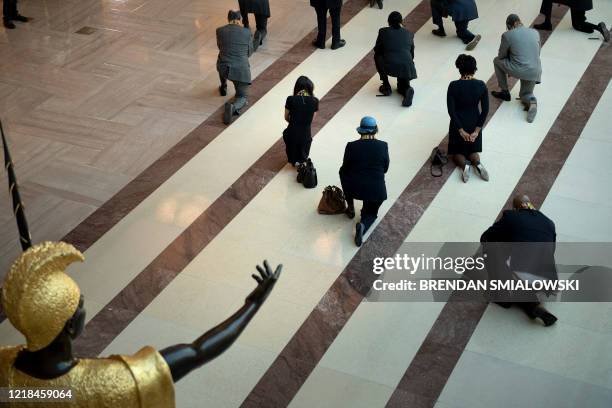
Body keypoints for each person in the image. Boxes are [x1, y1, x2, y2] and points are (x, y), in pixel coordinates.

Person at [0, 241, 281, 406]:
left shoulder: (6, 372)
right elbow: (197, 352)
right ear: (70, 327)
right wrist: (252, 304)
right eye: (80, 306)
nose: (84, 309)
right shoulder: (110, 382)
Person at [481, 194, 558, 327]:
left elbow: (486, 237)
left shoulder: (511, 217)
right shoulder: (549, 222)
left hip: (524, 274)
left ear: (516, 208)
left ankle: (502, 297)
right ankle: (533, 305)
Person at [339, 117, 389, 247]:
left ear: (360, 131)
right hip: (376, 190)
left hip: (354, 188)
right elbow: (385, 168)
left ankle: (350, 207)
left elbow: (346, 167)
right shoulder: (383, 146)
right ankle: (363, 225)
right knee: (371, 213)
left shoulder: (351, 146)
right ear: (375, 130)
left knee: (342, 172)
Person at [491, 14, 542, 123]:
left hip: (518, 68)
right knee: (526, 94)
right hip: (535, 70)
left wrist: (511, 61)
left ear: (511, 25)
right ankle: (532, 102)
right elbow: (538, 53)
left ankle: (505, 92)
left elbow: (501, 56)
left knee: (496, 61)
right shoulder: (535, 32)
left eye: (508, 27)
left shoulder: (508, 35)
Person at [447, 54, 489, 183]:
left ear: (459, 69)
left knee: (457, 153)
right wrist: (476, 131)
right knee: (472, 150)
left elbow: (451, 111)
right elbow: (485, 110)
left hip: (458, 123)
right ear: (474, 69)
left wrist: (460, 130)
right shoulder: (481, 85)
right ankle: (478, 164)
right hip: (474, 122)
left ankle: (465, 166)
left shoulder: (453, 85)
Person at [217, 10, 254, 125]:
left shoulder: (220, 30)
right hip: (241, 71)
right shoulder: (247, 32)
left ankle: (223, 86)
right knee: (242, 96)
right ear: (240, 20)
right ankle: (233, 107)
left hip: (224, 68)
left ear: (228, 19)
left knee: (221, 56)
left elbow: (220, 46)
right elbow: (249, 52)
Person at [374, 11, 417, 107]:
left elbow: (377, 49)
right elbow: (412, 54)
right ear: (401, 22)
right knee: (401, 86)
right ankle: (407, 89)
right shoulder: (409, 33)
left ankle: (386, 86)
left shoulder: (383, 32)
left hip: (390, 65)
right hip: (407, 67)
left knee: (377, 56)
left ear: (388, 21)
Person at [283, 76, 319, 166]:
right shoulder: (315, 101)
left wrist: (294, 122)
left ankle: (293, 159)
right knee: (305, 138)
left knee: (286, 133)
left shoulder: (290, 99)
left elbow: (286, 117)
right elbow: (311, 120)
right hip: (305, 135)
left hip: (292, 134)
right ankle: (302, 159)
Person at [534, 0, 609, 42]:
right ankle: (599, 27)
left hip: (577, 2)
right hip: (584, 2)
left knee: (577, 25)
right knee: (579, 23)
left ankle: (547, 24)